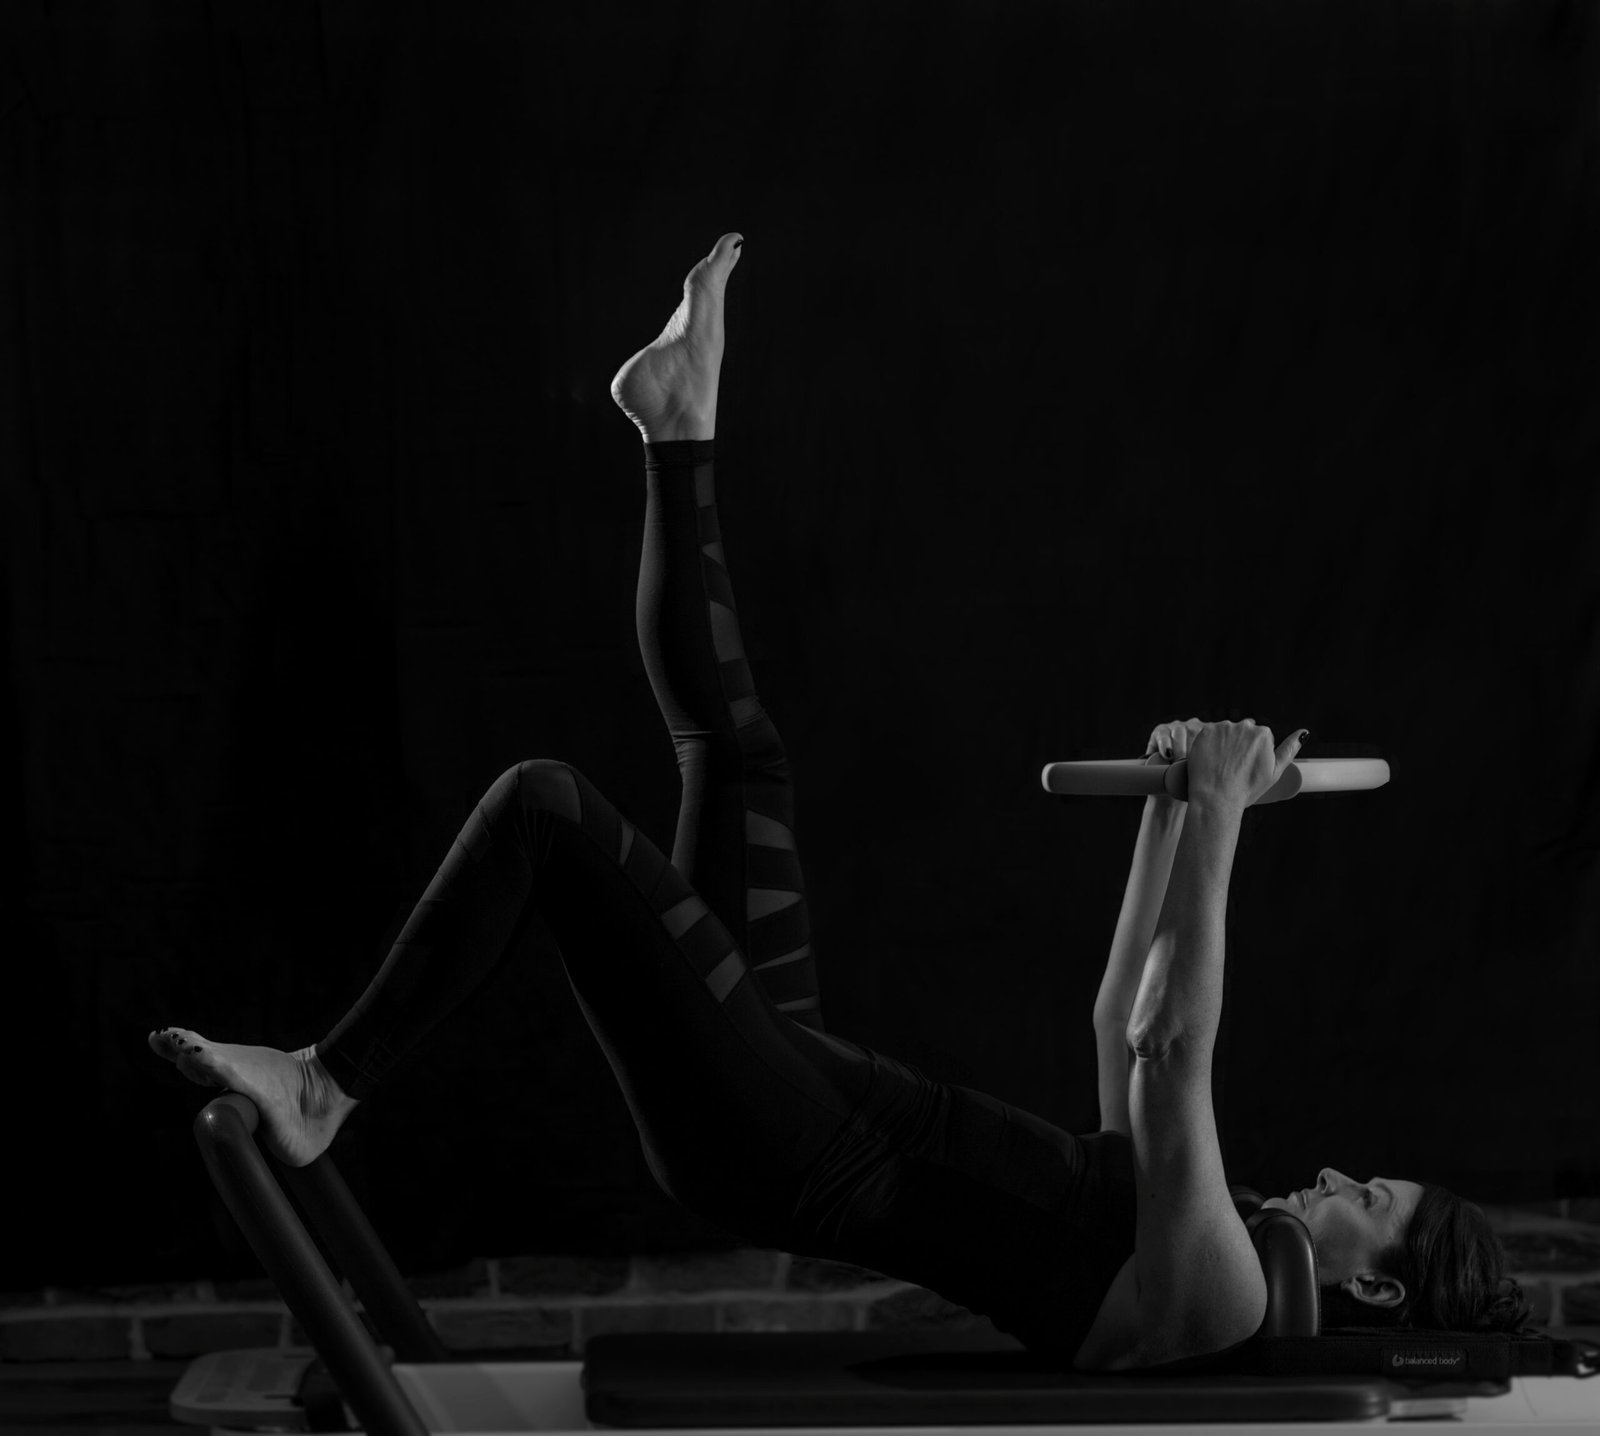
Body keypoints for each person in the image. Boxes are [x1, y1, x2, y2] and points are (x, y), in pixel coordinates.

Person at [148, 234, 1531, 1370]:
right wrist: (1178, 797)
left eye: (1369, 1202)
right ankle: (677, 423)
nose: (1338, 1179)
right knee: (739, 756)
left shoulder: (1222, 1301)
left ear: (1384, 1290)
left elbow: (1177, 1054)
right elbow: (1120, 1021)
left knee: (546, 805)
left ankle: (327, 1083)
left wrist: (1224, 819)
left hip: (778, 1138)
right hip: (805, 1076)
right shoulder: (1210, 1228)